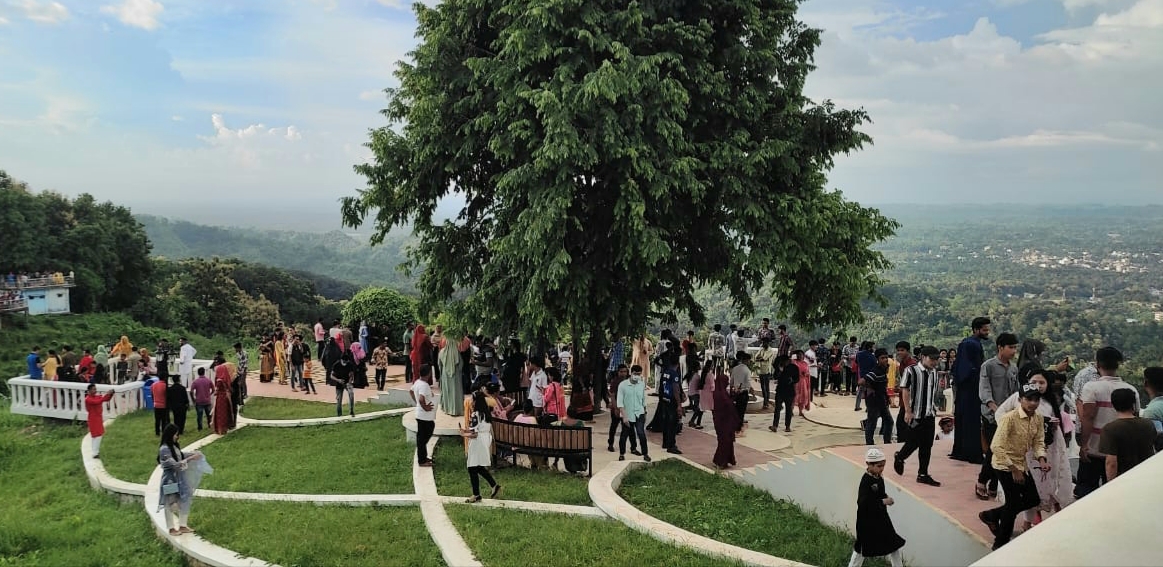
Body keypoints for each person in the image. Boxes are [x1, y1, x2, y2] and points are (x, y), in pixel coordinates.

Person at [994, 368, 1074, 529]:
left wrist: (1052, 424)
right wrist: (1013, 429)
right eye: (1034, 382)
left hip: (1048, 449)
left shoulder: (1050, 400)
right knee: (1032, 487)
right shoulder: (1017, 398)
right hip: (1027, 452)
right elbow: (1000, 413)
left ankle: (1048, 519)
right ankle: (1025, 522)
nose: (1038, 385)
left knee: (1049, 483)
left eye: (1042, 382)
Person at [979, 385, 1050, 551]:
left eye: (1036, 400)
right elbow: (996, 446)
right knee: (1013, 503)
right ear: (1020, 400)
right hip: (1004, 464)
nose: (1033, 403)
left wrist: (1042, 459)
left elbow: (1038, 441)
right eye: (1028, 399)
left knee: (1033, 499)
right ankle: (1000, 543)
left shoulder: (1038, 418)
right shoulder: (1009, 418)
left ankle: (992, 515)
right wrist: (1014, 470)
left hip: (1021, 464)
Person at [1077, 346, 1139, 498]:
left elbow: (1088, 417)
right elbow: (1134, 418)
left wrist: (1084, 445)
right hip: (1119, 452)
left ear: (1098, 364)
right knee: (1115, 494)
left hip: (1094, 449)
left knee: (1087, 493)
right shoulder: (1131, 389)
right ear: (1117, 365)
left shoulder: (1091, 388)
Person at [976, 332, 1020, 501]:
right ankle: (981, 481)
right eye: (1010, 347)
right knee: (994, 450)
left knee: (1003, 451)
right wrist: (994, 407)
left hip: (1008, 416)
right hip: (991, 416)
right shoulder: (988, 366)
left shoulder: (1013, 368)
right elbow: (984, 389)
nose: (1013, 351)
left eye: (1015, 347)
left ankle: (994, 485)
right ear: (1000, 347)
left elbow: (1015, 392)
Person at [894, 346, 943, 487]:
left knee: (927, 444)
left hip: (929, 414)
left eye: (936, 359)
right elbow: (905, 390)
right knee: (913, 441)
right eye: (932, 359)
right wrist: (907, 411)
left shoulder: (935, 372)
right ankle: (900, 457)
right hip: (915, 415)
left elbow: (933, 392)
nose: (934, 362)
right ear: (923, 357)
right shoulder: (911, 370)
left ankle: (923, 474)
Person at [849, 447, 906, 567]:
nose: (881, 469)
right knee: (861, 548)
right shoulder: (866, 481)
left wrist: (885, 497)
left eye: (883, 466)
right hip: (867, 522)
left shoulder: (879, 477)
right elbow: (863, 503)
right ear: (869, 464)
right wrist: (883, 501)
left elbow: (879, 493)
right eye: (879, 466)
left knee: (893, 544)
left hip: (881, 518)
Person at [951, 317, 990, 464]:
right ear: (976, 330)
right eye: (984, 330)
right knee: (971, 420)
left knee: (963, 419)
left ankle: (961, 451)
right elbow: (968, 367)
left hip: (964, 387)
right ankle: (972, 453)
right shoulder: (971, 344)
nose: (987, 332)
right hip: (970, 387)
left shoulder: (967, 343)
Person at [1098, 388, 1157, 481]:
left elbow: (1111, 462)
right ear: (1133, 404)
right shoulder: (1148, 424)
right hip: (1146, 476)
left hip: (1124, 479)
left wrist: (1111, 483)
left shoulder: (1110, 429)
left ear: (1113, 405)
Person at [157, 423, 202, 536]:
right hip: (170, 480)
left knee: (185, 499)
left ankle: (183, 525)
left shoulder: (174, 446)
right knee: (170, 502)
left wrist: (192, 454)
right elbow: (175, 465)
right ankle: (171, 528)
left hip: (180, 478)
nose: (177, 437)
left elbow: (180, 455)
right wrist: (191, 458)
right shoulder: (164, 449)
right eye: (176, 434)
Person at [460, 392, 502, 502]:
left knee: (472, 467)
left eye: (472, 400)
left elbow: (474, 434)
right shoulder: (486, 414)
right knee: (478, 466)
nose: (471, 402)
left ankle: (476, 494)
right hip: (484, 440)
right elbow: (479, 429)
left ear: (476, 401)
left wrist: (464, 434)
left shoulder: (475, 414)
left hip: (477, 442)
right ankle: (494, 485)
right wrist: (466, 431)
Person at [616, 365, 650, 462]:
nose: (637, 376)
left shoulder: (641, 384)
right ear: (631, 373)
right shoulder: (623, 385)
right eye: (635, 374)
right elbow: (620, 402)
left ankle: (645, 454)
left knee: (641, 433)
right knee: (624, 435)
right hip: (627, 414)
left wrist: (645, 412)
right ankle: (622, 454)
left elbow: (643, 399)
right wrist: (624, 416)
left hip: (639, 413)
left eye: (639, 374)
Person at [861, 349, 893, 445]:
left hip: (882, 399)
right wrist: (870, 388)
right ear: (878, 359)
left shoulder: (884, 369)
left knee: (889, 421)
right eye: (882, 358)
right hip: (874, 401)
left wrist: (887, 397)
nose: (885, 360)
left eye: (886, 357)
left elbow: (883, 387)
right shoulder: (875, 371)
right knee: (872, 423)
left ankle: (887, 441)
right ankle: (869, 443)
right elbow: (861, 381)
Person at [607, 364, 637, 454]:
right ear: (618, 372)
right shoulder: (615, 382)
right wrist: (616, 408)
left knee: (630, 428)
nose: (623, 373)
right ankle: (610, 444)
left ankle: (633, 448)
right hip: (617, 408)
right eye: (621, 372)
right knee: (614, 426)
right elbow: (612, 396)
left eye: (625, 371)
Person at [657, 352, 684, 454]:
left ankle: (665, 442)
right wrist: (679, 404)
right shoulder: (674, 374)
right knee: (673, 424)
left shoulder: (665, 372)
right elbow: (676, 389)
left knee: (666, 422)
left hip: (665, 399)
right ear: (678, 363)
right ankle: (671, 445)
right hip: (672, 400)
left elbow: (661, 387)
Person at [712, 371, 739, 469]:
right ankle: (721, 461)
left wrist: (734, 395)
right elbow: (728, 405)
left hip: (724, 421)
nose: (727, 383)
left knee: (726, 440)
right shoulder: (720, 395)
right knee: (725, 441)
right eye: (726, 381)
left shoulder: (721, 392)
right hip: (723, 421)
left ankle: (725, 459)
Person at [412, 364, 436, 467]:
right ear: (429, 373)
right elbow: (421, 399)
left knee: (422, 437)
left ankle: (423, 456)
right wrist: (424, 406)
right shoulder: (424, 385)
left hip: (422, 415)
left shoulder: (417, 382)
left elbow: (411, 391)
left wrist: (417, 402)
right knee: (424, 436)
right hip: (424, 416)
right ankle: (422, 460)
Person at [84, 383, 115, 458]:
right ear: (89, 391)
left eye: (95, 389)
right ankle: (95, 453)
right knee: (97, 435)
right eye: (93, 389)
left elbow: (106, 399)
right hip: (93, 419)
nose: (95, 390)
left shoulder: (96, 397)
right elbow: (98, 401)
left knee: (96, 436)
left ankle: (95, 452)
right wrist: (107, 394)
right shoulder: (88, 399)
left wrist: (111, 394)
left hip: (97, 418)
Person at [730, 352, 752, 434]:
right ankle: (738, 428)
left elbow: (731, 381)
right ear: (747, 360)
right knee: (741, 411)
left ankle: (733, 425)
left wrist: (732, 390)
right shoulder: (747, 370)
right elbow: (748, 384)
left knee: (736, 410)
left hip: (735, 392)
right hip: (743, 393)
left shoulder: (735, 368)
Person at [330, 351, 357, 417]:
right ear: (341, 360)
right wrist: (338, 380)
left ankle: (351, 411)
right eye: (344, 361)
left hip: (347, 382)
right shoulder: (336, 365)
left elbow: (351, 375)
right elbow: (331, 376)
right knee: (339, 399)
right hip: (339, 382)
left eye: (346, 362)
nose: (345, 363)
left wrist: (349, 382)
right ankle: (339, 414)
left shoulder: (350, 364)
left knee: (351, 394)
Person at [212, 365, 233, 435]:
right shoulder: (226, 379)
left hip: (220, 398)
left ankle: (220, 429)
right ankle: (225, 428)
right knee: (225, 413)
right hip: (226, 397)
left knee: (219, 414)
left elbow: (216, 391)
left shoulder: (219, 380)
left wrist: (215, 393)